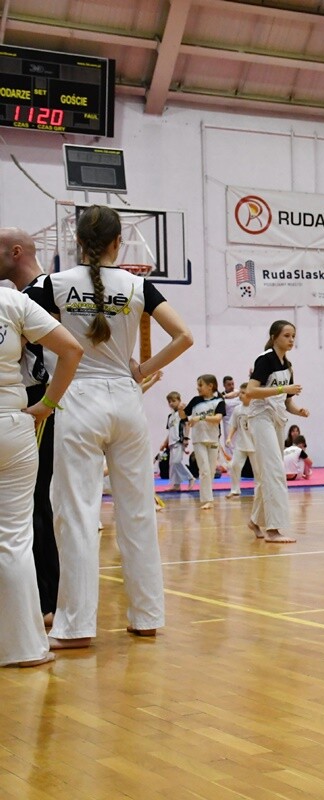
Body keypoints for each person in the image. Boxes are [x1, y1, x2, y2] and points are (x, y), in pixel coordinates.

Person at [31, 204, 194, 649]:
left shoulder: (52, 285)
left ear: (77, 242)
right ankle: (147, 616)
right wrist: (141, 370)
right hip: (126, 399)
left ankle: (76, 626)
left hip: (77, 400)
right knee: (138, 511)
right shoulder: (138, 285)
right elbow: (184, 336)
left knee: (77, 514)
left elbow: (25, 334)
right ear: (119, 243)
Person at [0, 284, 82, 667]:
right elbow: (72, 349)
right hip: (13, 424)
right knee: (15, 540)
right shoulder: (12, 301)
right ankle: (26, 649)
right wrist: (47, 404)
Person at [0, 228, 70, 626]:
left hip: (43, 399)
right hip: (40, 400)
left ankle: (47, 600)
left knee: (34, 502)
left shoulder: (40, 292)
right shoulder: (30, 294)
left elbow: (71, 350)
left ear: (15, 252)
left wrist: (47, 403)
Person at [244, 319, 309, 544]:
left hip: (278, 419)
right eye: (286, 336)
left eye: (293, 336)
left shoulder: (287, 365)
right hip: (261, 418)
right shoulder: (265, 360)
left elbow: (287, 401)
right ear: (274, 337)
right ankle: (273, 529)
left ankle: (255, 520)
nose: (291, 340)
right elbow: (251, 391)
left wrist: (299, 410)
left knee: (269, 473)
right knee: (274, 471)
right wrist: (283, 388)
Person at [185, 374, 226, 509]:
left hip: (213, 439)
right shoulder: (195, 401)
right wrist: (180, 409)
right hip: (199, 439)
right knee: (204, 470)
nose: (198, 388)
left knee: (211, 471)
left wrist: (200, 418)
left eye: (200, 385)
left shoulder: (219, 401)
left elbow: (218, 418)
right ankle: (208, 499)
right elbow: (184, 414)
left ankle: (208, 497)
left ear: (210, 386)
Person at [161, 391, 194, 491]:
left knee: (176, 462)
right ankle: (176, 485)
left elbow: (187, 425)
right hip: (171, 442)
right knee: (172, 465)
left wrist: (186, 438)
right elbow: (170, 431)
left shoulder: (181, 413)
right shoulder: (170, 416)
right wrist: (164, 443)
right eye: (169, 402)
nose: (171, 403)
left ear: (179, 400)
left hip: (179, 441)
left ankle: (190, 477)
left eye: (173, 401)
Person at [225, 382, 253, 497]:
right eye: (240, 392)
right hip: (241, 443)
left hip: (254, 444)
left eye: (243, 393)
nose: (240, 395)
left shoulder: (256, 409)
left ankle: (260, 490)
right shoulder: (237, 409)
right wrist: (229, 437)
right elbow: (234, 425)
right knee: (235, 465)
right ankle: (235, 489)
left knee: (258, 470)